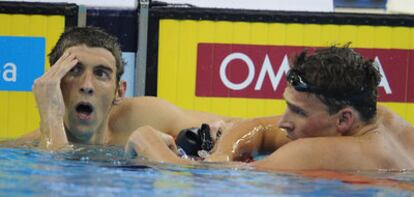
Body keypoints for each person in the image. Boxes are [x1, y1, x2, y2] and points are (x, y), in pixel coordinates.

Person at [126, 44, 414, 170]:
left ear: (343, 119)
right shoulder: (384, 121)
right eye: (288, 107)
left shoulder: (312, 153)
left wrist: (145, 138)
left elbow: (197, 182)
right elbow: (261, 128)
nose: (284, 122)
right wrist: (223, 154)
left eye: (299, 112)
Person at [3, 26, 238, 151]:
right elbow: (54, 182)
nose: (86, 86)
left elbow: (240, 127)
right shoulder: (30, 145)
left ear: (119, 91)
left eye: (101, 74)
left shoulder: (143, 118)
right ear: (53, 82)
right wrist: (51, 120)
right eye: (74, 70)